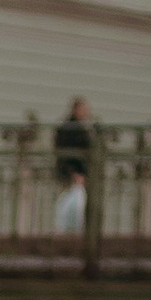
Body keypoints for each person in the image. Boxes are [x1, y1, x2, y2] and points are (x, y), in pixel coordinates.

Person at [54, 96, 95, 237]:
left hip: (76, 174)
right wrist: (73, 173)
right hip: (72, 174)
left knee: (74, 207)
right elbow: (66, 153)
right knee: (71, 207)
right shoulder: (71, 129)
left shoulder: (79, 127)